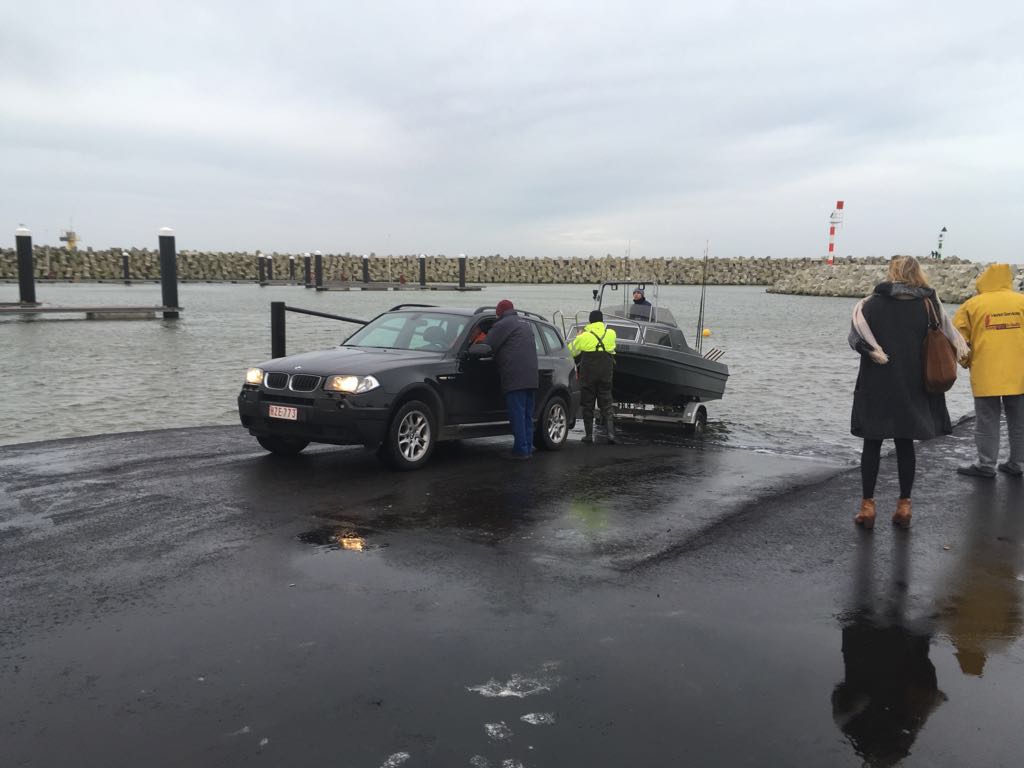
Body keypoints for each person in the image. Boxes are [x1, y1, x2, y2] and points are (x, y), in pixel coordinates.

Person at [847, 255, 968, 529]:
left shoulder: (870, 305)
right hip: (914, 384)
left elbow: (856, 340)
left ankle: (867, 506)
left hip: (877, 381)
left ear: (892, 272)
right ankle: (904, 504)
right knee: (905, 444)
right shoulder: (928, 305)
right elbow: (946, 336)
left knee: (872, 443)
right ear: (918, 273)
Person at [952, 263, 1024, 478]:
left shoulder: (972, 305)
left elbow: (958, 341)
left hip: (986, 373)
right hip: (1019, 374)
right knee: (1019, 422)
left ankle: (986, 465)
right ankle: (1018, 463)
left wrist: (967, 362)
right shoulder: (1021, 302)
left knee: (987, 421)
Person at [484, 299, 539, 459]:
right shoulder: (525, 324)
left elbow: (488, 345)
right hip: (532, 376)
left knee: (517, 415)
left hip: (515, 377)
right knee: (528, 415)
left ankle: (521, 451)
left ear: (499, 312)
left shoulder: (502, 325)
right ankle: (528, 447)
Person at [569, 309, 618, 443]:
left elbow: (571, 351)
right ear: (602, 320)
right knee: (606, 403)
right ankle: (611, 435)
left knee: (588, 404)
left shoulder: (584, 336)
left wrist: (578, 336)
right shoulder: (611, 333)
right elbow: (613, 347)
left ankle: (589, 436)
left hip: (589, 374)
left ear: (590, 321)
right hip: (605, 374)